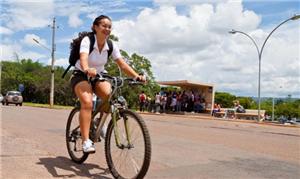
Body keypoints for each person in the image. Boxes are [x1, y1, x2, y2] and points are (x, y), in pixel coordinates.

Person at [70, 15, 145, 153]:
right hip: (81, 74)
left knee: (110, 96)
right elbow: (83, 57)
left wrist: (137, 76)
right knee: (87, 103)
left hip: (98, 76)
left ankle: (99, 122)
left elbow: (122, 64)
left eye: (109, 26)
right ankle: (86, 141)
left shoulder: (111, 45)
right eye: (104, 25)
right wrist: (87, 69)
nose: (107, 29)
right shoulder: (88, 40)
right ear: (95, 27)